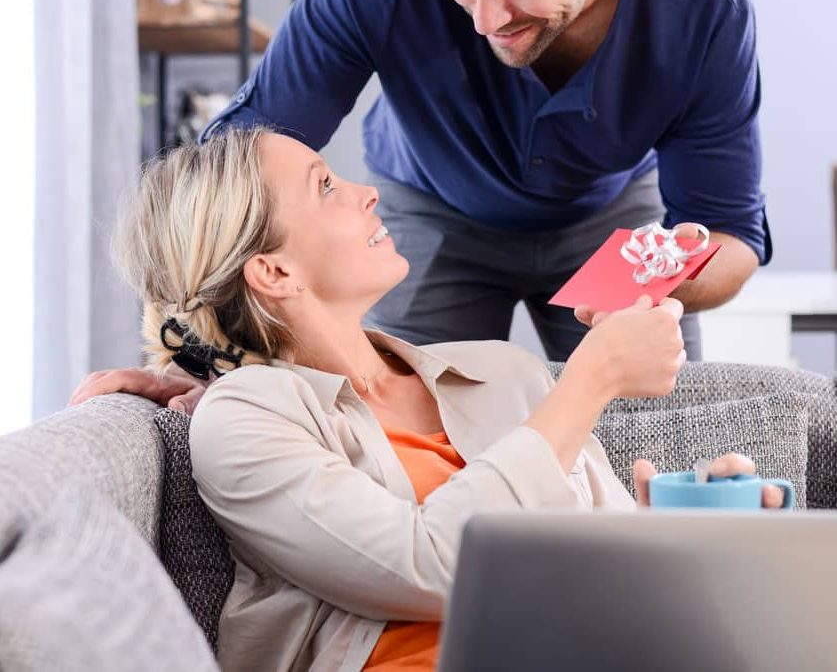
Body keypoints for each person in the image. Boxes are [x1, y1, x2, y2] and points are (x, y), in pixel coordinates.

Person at [71, 129, 784, 672]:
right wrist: (588, 381)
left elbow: (595, 575)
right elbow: (435, 564)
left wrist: (679, 527)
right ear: (273, 269)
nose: (368, 190)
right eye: (325, 186)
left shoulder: (503, 374)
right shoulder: (246, 417)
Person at [198, 0, 770, 362]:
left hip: (612, 223)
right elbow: (245, 154)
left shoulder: (704, 4)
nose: (485, 19)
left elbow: (730, 232)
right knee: (395, 433)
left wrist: (655, 279)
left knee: (652, 426)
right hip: (428, 204)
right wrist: (202, 351)